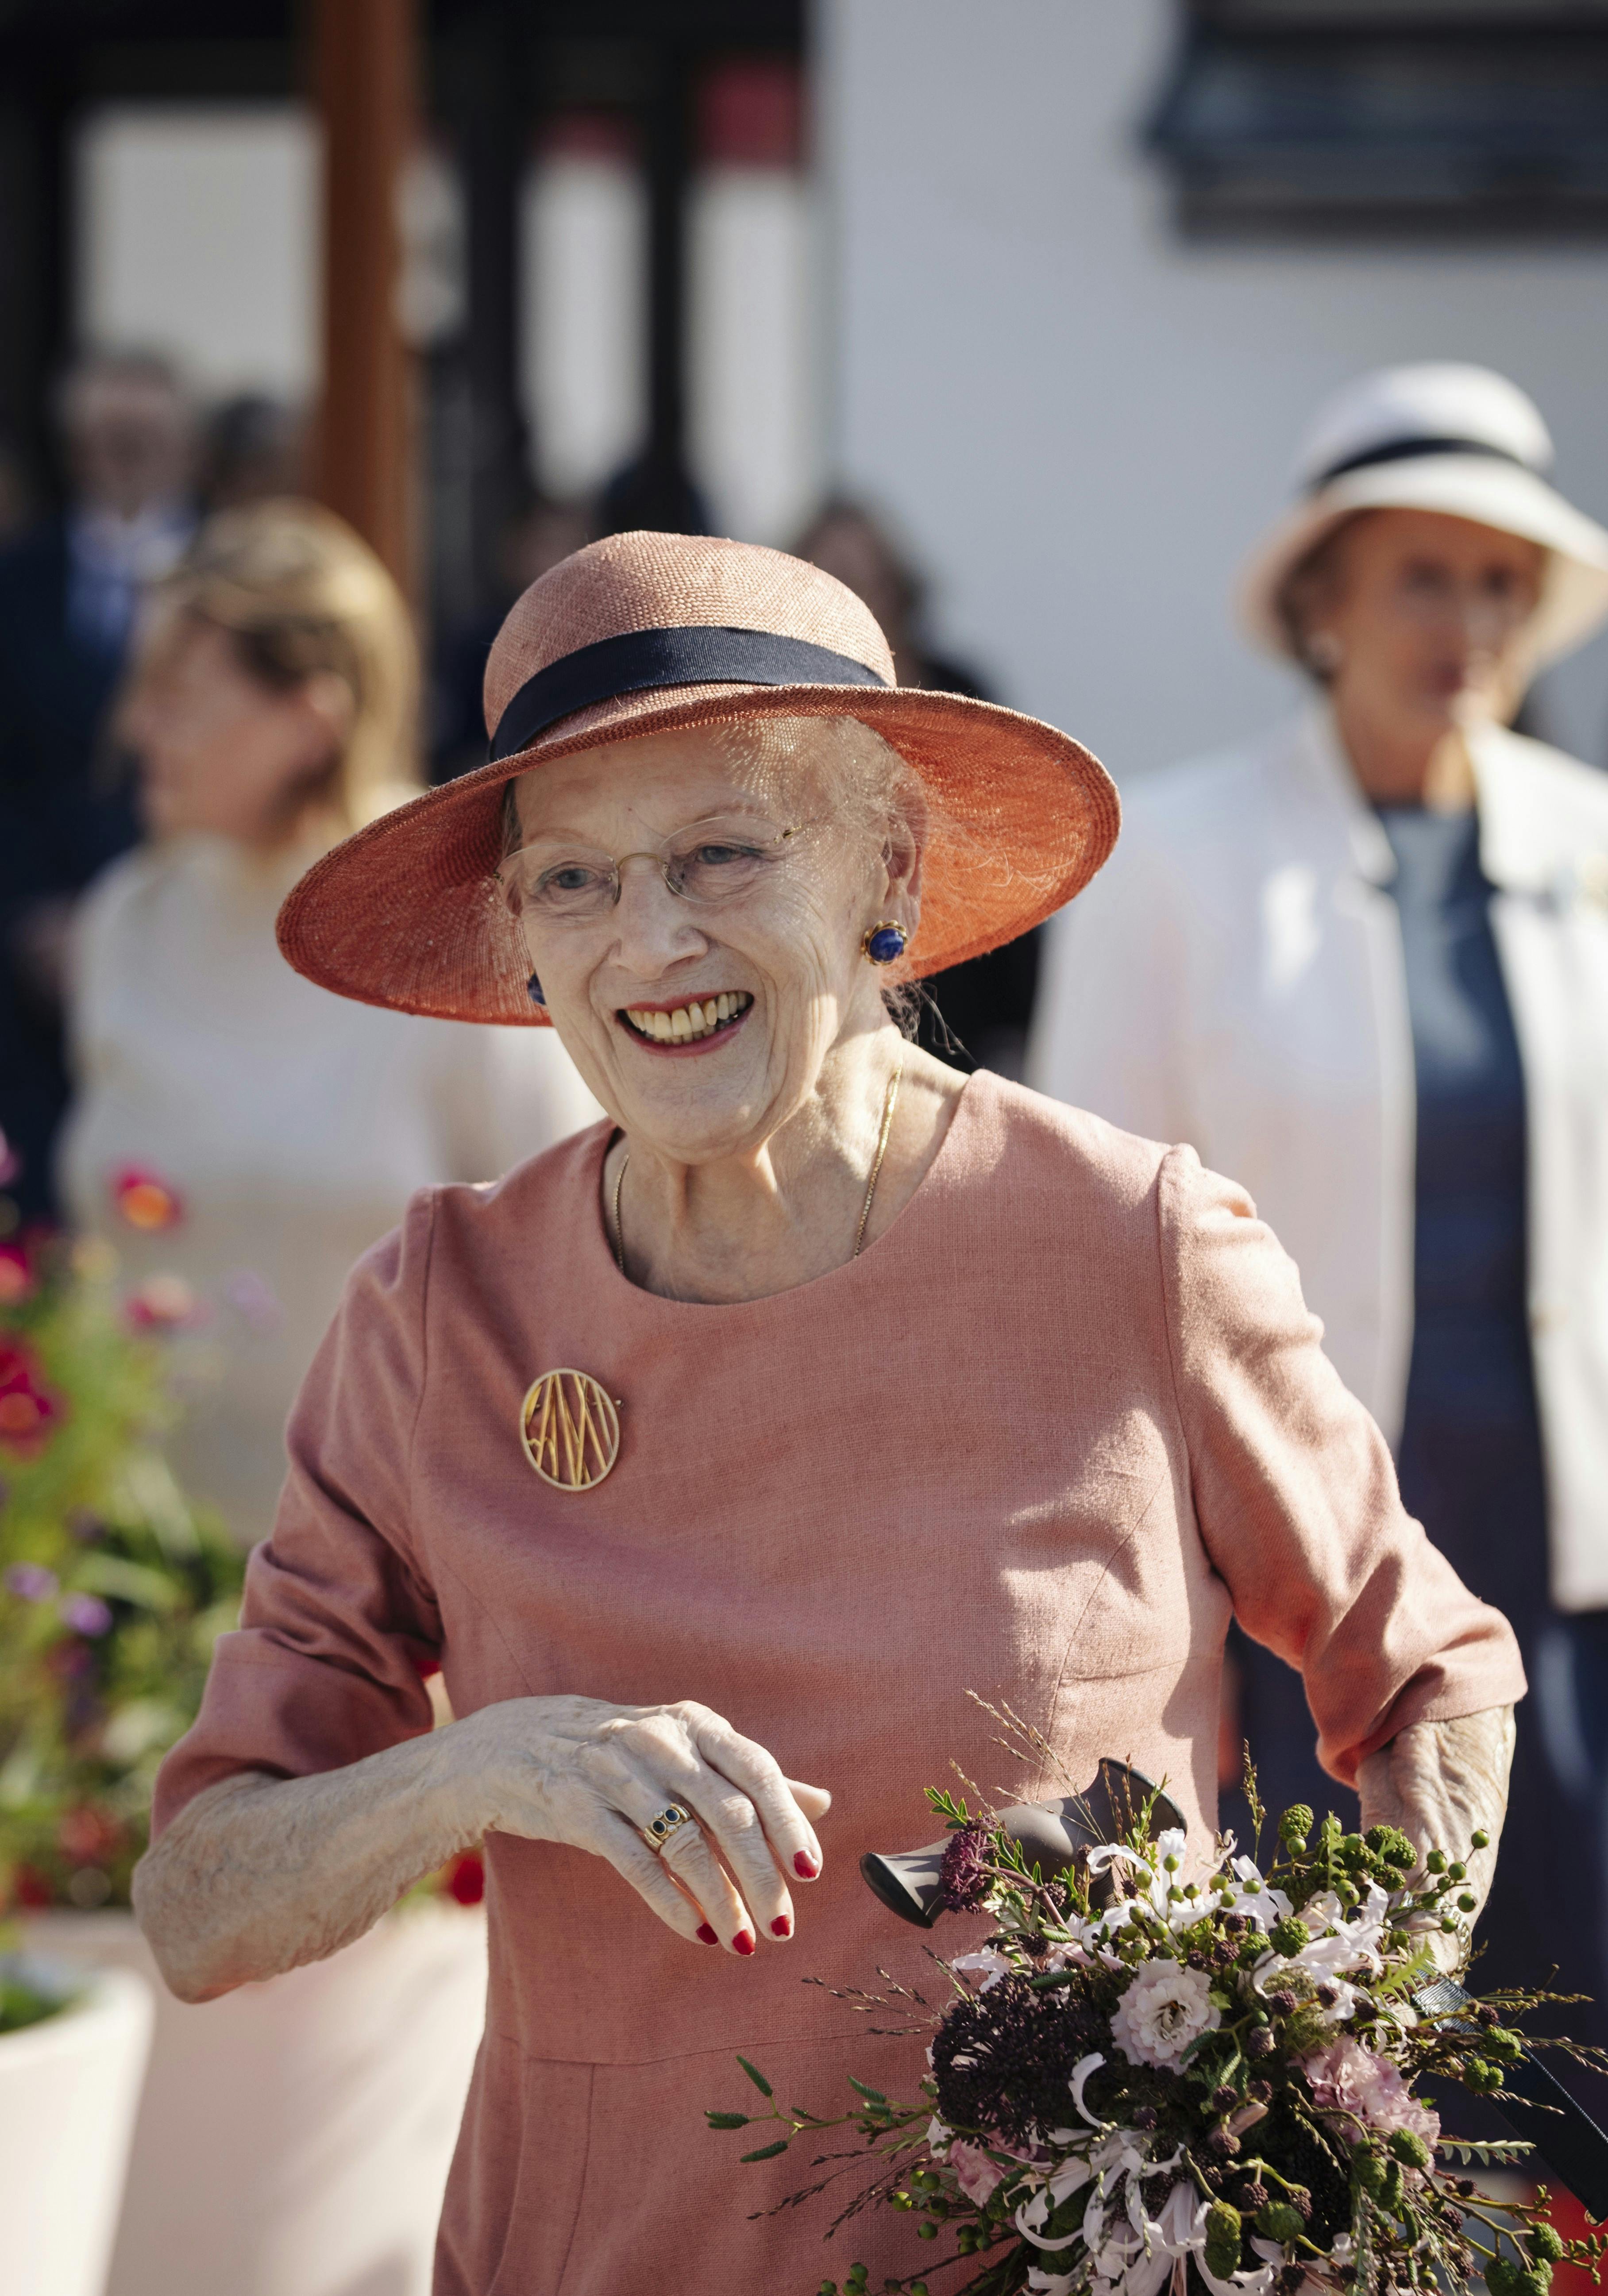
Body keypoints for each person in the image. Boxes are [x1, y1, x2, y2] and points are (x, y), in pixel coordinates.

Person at [134, 531, 1523, 2296]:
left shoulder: (1126, 1244)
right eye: (573, 880)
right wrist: (478, 1766)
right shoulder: (442, 1312)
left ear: (881, 868)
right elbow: (200, 1901)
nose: (651, 941)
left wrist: (1315, 2068)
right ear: (523, 942)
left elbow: (1426, 1680)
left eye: (722, 852)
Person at [1029, 362, 1608, 2038]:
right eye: (1421, 571)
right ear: (1320, 599)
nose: (1466, 618)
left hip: (1567, 1592)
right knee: (1333, 2079)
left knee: (1573, 2084)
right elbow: (1087, 1261)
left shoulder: (1595, 842)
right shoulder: (1171, 860)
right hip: (1307, 1600)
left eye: (1501, 579)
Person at [58, 500, 597, 1548]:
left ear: (310, 716)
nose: (134, 727)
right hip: (128, 1578)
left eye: (178, 693)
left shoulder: (461, 922)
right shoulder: (127, 917)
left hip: (392, 1596)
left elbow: (573, 1256)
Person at [0, 350, 198, 1223]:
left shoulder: (231, 580)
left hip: (189, 924)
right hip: (33, 951)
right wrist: (33, 908)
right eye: (107, 442)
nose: (125, 463)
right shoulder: (19, 578)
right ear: (76, 451)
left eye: (145, 442)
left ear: (184, 450)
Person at [797, 495, 1037, 1076]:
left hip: (962, 976)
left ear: (898, 588)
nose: (856, 604)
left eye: (865, 583)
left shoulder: (958, 688)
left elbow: (1012, 847)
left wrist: (1018, 1024)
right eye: (832, 587)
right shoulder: (776, 712)